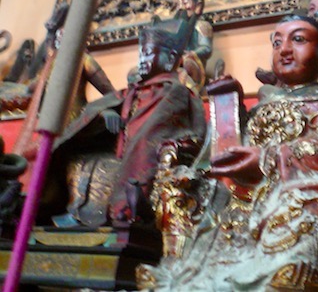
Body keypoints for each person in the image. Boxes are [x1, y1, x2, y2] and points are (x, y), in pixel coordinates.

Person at [147, 12, 318, 290]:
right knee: (180, 190)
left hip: (305, 188)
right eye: (277, 43)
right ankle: (177, 274)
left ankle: (284, 278)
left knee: (304, 204)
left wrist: (268, 160)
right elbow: (233, 152)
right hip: (245, 194)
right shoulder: (264, 105)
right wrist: (229, 110)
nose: (284, 49)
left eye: (298, 40)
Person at [40, 17, 207, 228]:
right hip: (119, 149)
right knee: (76, 156)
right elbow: (102, 106)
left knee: (108, 168)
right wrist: (104, 115)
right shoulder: (135, 90)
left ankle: (120, 213)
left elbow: (156, 132)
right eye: (141, 54)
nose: (143, 60)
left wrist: (132, 143)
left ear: (170, 58)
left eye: (149, 54)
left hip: (147, 159)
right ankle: (75, 213)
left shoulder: (175, 92)